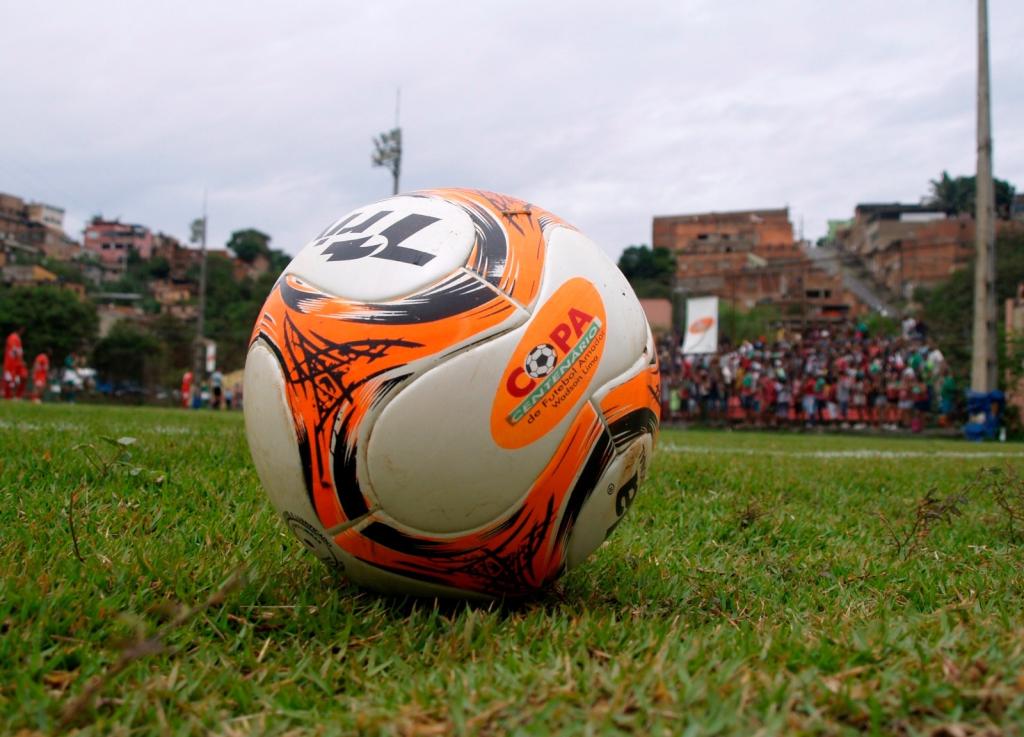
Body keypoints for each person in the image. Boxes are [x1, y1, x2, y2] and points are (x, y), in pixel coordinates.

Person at [4, 327, 27, 400]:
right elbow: (14, 350)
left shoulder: (18, 338)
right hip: (11, 364)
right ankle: (9, 397)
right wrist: (20, 359)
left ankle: (16, 396)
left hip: (17, 364)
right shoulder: (13, 337)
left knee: (21, 378)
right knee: (10, 381)